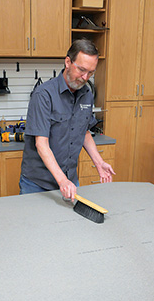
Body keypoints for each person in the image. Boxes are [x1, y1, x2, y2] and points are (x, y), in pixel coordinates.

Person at [19, 39, 115, 200]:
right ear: (68, 62)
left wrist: (99, 163)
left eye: (91, 72)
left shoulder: (87, 94)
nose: (85, 77)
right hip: (37, 185)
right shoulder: (44, 95)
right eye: (82, 70)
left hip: (69, 180)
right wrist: (62, 180)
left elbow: (83, 131)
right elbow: (41, 144)